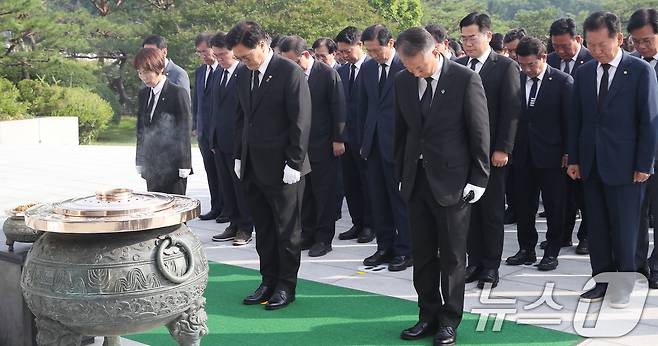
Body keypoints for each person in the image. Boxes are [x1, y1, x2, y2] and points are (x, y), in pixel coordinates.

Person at [394, 27, 489, 346]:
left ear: (437, 51)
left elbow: (479, 131)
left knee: (451, 256)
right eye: (410, 68)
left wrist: (479, 177)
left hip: (453, 181)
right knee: (421, 254)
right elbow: (402, 132)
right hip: (417, 180)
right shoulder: (403, 81)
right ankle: (427, 314)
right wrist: (400, 172)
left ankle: (450, 319)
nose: (415, 73)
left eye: (419, 67)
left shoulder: (464, 79)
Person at [567, 11, 658, 306]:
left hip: (628, 165)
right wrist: (574, 159)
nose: (596, 51)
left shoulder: (641, 71)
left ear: (619, 39)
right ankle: (601, 279)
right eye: (591, 45)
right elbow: (577, 120)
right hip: (592, 163)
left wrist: (645, 163)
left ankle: (624, 283)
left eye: (602, 45)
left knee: (627, 227)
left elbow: (649, 120)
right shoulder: (583, 72)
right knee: (597, 225)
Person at [226, 20, 311, 310]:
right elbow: (240, 119)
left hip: (285, 168)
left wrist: (294, 163)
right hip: (252, 165)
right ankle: (268, 279)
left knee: (287, 231)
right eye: (238, 57)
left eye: (246, 56)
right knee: (263, 228)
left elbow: (300, 121)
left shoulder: (289, 72)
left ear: (262, 44)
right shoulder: (243, 74)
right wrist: (239, 155)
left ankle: (286, 285)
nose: (243, 62)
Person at [457, 12, 521, 289]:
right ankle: (474, 262)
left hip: (492, 154)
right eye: (463, 38)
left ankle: (491, 266)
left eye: (472, 37)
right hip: (461, 154)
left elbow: (511, 111)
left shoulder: (505, 66)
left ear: (487, 35)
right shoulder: (458, 66)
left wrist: (503, 148)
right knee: (467, 209)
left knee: (492, 211)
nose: (467, 43)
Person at [505, 37, 573, 271]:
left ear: (543, 58)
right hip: (523, 154)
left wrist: (568, 152)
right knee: (524, 205)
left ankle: (552, 251)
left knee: (554, 206)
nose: (526, 69)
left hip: (553, 155)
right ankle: (526, 249)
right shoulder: (518, 79)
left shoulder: (563, 82)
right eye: (521, 64)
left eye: (530, 65)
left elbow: (570, 122)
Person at [279, 36, 346, 257]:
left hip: (323, 144)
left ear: (305, 55)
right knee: (304, 195)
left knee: (323, 194)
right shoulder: (289, 75)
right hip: (299, 147)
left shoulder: (327, 74)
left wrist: (338, 139)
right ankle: (306, 234)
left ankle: (323, 238)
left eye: (293, 61)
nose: (290, 66)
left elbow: (338, 108)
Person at [359, 24, 412, 272]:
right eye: (368, 51)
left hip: (398, 145)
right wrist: (363, 141)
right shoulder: (368, 68)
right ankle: (384, 246)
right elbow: (363, 106)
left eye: (376, 50)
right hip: (373, 144)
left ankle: (405, 249)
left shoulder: (407, 65)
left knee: (400, 200)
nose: (372, 55)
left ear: (390, 43)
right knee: (378, 199)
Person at [546, 17, 593, 255]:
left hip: (585, 139)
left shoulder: (593, 60)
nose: (560, 51)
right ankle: (562, 235)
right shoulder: (551, 61)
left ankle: (586, 236)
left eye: (565, 46)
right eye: (555, 46)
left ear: (578, 39)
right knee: (562, 194)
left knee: (584, 194)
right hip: (557, 141)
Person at [208, 32, 254, 246]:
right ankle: (233, 223)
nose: (219, 59)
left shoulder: (244, 73)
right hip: (220, 141)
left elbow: (245, 112)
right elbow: (215, 109)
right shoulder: (218, 73)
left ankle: (245, 227)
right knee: (227, 186)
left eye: (223, 55)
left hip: (238, 142)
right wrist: (212, 138)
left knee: (241, 187)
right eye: (216, 55)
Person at [335, 26, 375, 243]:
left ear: (360, 45)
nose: (344, 56)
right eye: (341, 52)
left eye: (348, 51)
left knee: (368, 185)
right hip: (347, 140)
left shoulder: (372, 68)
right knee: (350, 184)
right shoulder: (341, 71)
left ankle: (370, 224)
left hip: (366, 140)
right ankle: (357, 222)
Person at [134, 47, 192, 195]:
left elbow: (184, 129)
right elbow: (141, 128)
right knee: (155, 207)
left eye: (147, 72)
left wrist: (185, 164)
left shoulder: (177, 93)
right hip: (151, 164)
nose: (143, 77)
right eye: (140, 73)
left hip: (173, 164)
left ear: (160, 69)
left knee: (174, 209)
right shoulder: (144, 94)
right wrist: (139, 159)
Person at [628, 7, 658, 289]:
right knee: (635, 212)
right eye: (636, 42)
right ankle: (637, 264)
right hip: (635, 154)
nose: (641, 46)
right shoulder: (632, 66)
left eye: (646, 40)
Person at [192, 33, 224, 222]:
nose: (203, 55)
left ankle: (227, 208)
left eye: (205, 51)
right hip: (204, 132)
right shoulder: (201, 71)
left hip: (219, 132)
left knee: (223, 173)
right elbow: (197, 100)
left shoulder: (224, 70)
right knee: (211, 171)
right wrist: (196, 125)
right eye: (199, 52)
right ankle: (216, 206)